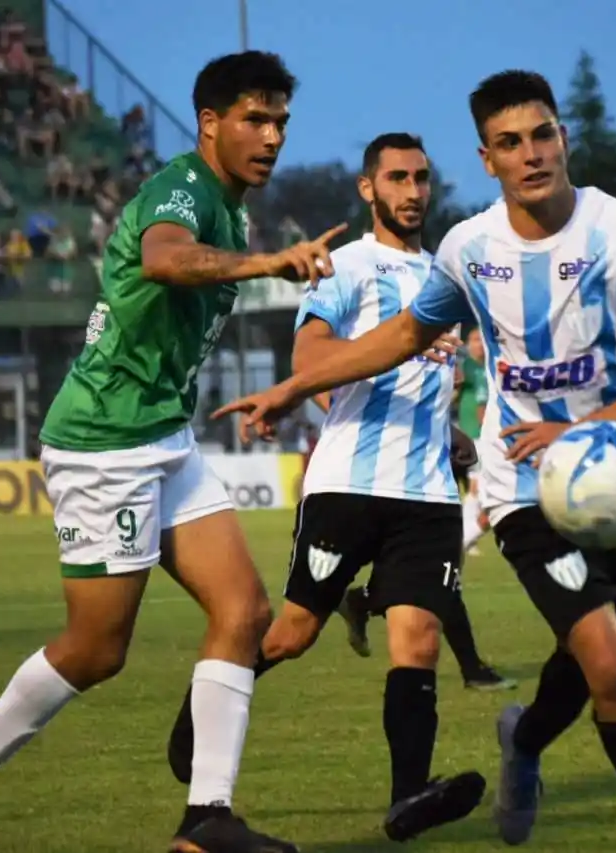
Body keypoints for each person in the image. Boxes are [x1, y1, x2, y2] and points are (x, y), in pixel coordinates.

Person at [212, 70, 616, 853]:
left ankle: (524, 742)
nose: (531, 154)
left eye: (542, 135)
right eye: (510, 143)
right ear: (488, 160)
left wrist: (584, 434)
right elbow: (404, 335)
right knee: (614, 670)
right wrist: (294, 386)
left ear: (564, 140)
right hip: (524, 488)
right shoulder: (470, 248)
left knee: (589, 665)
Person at [0, 51, 349, 853]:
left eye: (280, 120)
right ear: (210, 123)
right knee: (98, 649)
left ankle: (207, 819)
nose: (272, 135)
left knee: (243, 611)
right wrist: (269, 261)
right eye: (254, 118)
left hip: (163, 436)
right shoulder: (182, 190)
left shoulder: (231, 204)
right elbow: (164, 257)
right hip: (106, 442)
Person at [166, 132, 486, 842]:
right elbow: (309, 357)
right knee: (292, 631)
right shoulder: (345, 268)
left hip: (430, 489)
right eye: (397, 178)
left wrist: (451, 433)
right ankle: (201, 712)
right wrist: (324, 382)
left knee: (419, 635)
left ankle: (409, 795)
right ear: (369, 189)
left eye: (422, 178)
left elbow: (436, 381)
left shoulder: (449, 279)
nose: (412, 191)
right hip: (348, 483)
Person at [334, 422, 517, 692]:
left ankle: (362, 601)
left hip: (426, 460)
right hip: (406, 470)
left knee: (438, 573)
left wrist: (447, 429)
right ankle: (472, 669)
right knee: (441, 573)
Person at [455, 325, 491, 554]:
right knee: (477, 486)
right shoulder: (467, 367)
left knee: (477, 486)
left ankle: (467, 536)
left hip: (487, 436)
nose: (478, 344)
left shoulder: (488, 368)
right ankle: (465, 537)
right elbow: (455, 386)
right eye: (474, 340)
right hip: (474, 436)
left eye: (481, 339)